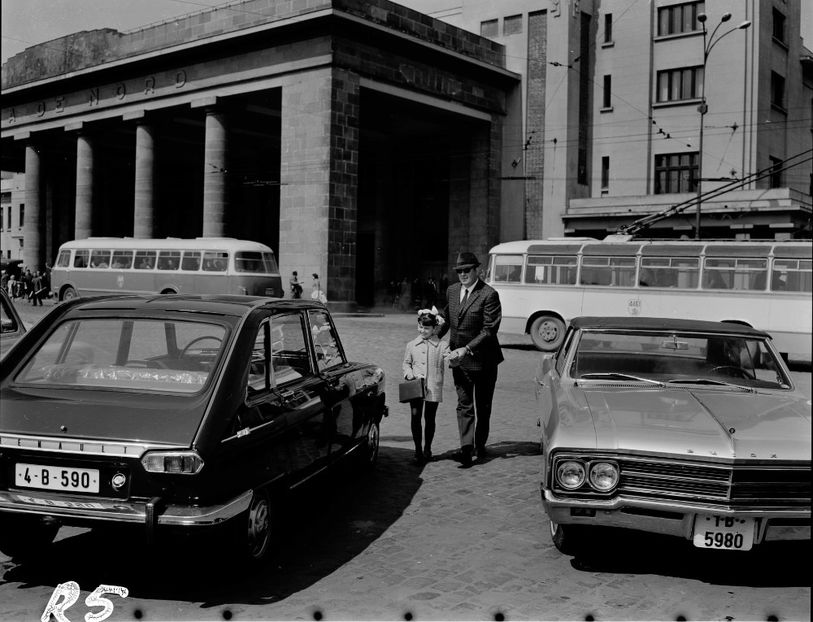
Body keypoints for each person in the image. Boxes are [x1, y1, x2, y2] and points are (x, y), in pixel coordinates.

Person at [439, 251, 504, 468]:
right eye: (459, 271)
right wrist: (431, 335)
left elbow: (489, 330)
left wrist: (466, 348)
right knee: (464, 404)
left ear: (477, 270)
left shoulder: (489, 294)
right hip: (459, 361)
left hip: (484, 361)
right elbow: (447, 319)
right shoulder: (452, 291)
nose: (463, 274)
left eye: (467, 270)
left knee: (483, 406)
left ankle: (480, 444)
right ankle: (466, 450)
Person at [402, 307, 451, 466]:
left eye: (426, 328)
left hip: (433, 387)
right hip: (416, 386)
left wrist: (453, 358)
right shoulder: (411, 345)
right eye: (420, 327)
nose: (422, 330)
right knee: (415, 417)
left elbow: (449, 359)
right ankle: (417, 450)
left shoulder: (442, 345)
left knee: (430, 418)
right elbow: (406, 363)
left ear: (435, 328)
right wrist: (409, 374)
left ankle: (427, 448)